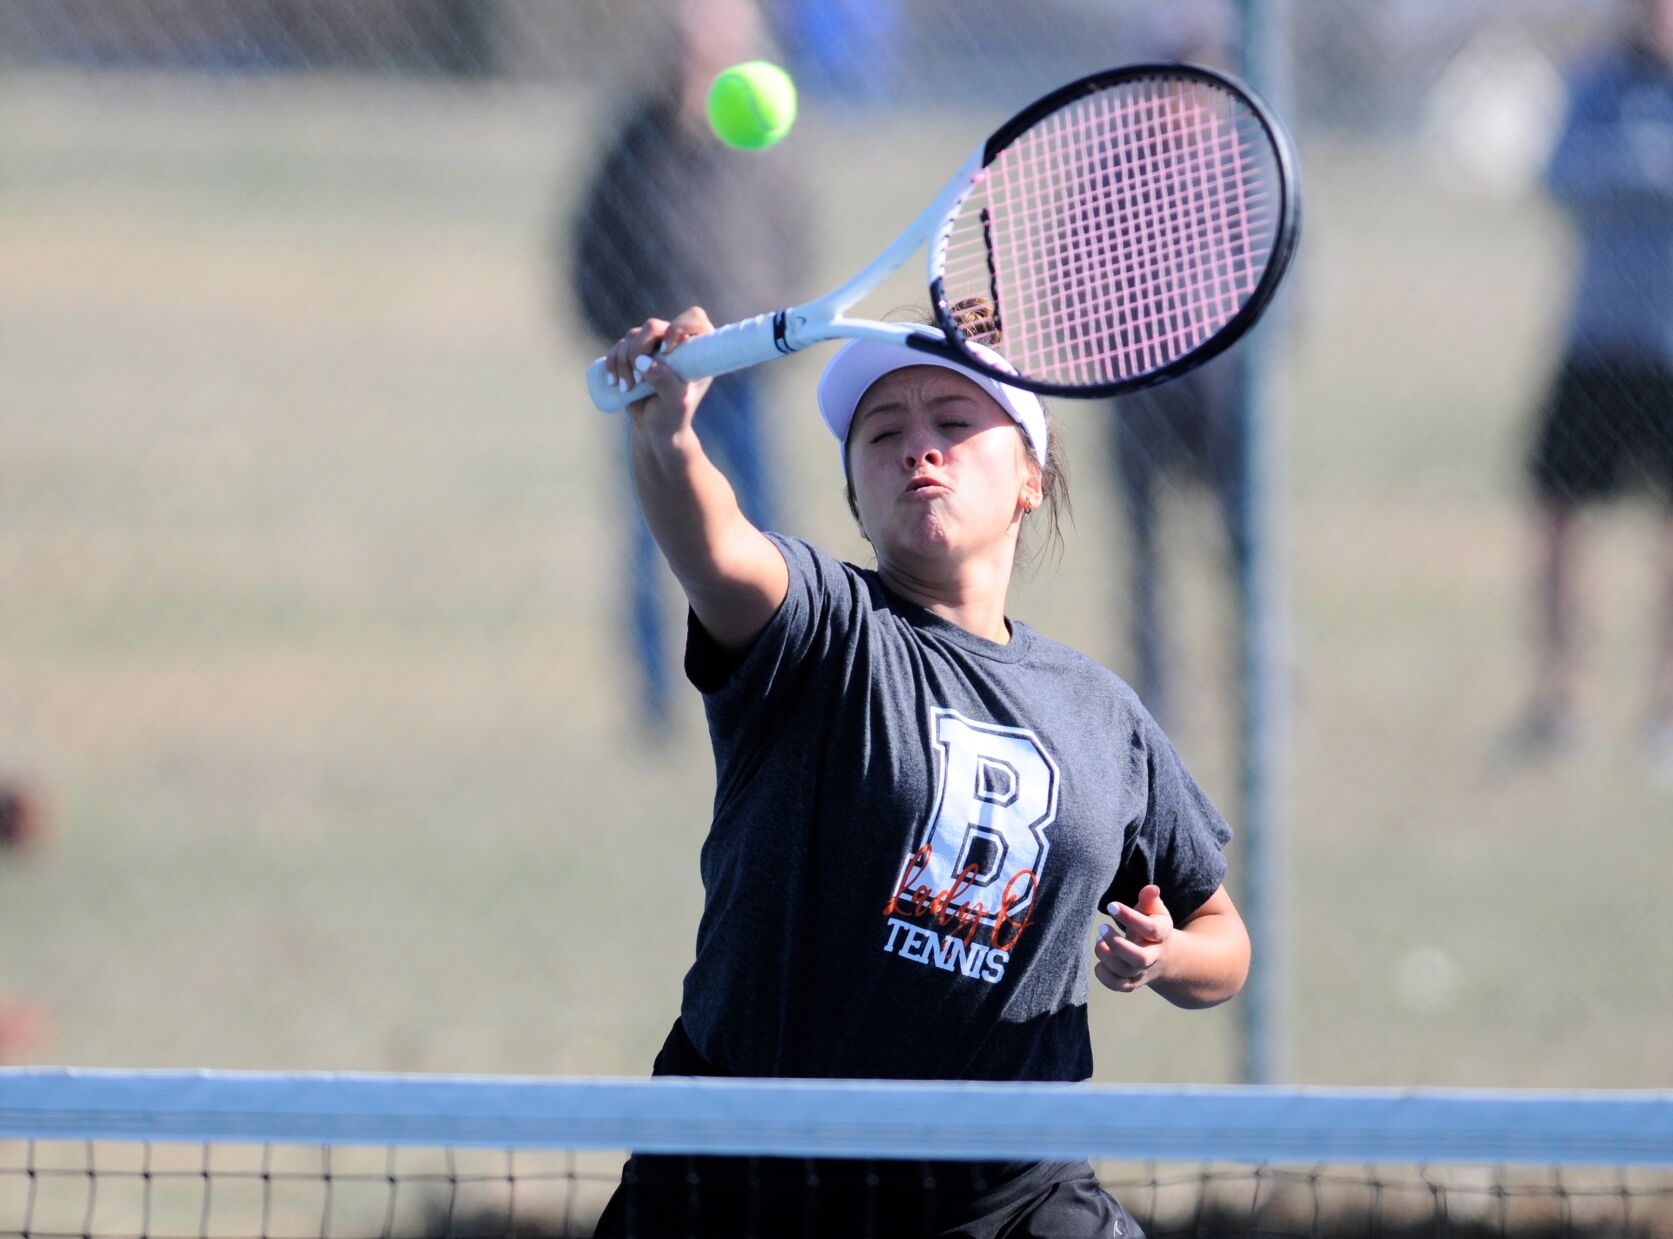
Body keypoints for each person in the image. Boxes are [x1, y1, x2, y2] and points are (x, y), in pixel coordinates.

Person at [588, 304, 1251, 1238]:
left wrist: (1169, 954)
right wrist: (669, 433)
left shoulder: (1102, 716)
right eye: (884, 432)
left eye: (952, 421)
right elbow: (714, 548)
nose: (918, 450)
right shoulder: (824, 632)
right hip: (748, 1178)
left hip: (1008, 1198)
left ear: (1030, 473)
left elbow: (1221, 937)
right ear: (855, 494)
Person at [567, 0, 808, 733]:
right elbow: (588, 246)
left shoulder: (763, 142)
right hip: (657, 380)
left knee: (762, 530)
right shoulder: (637, 135)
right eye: (691, 30)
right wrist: (620, 342)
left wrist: (765, 334)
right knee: (650, 537)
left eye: (719, 28)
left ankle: (775, 680)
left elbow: (791, 243)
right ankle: (655, 700)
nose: (702, 45)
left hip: (739, 377)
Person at [1512, 0, 1673, 778]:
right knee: (1558, 515)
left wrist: (1628, 165)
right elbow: (1560, 172)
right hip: (1596, 345)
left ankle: (1666, 712)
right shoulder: (1596, 83)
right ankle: (1562, 702)